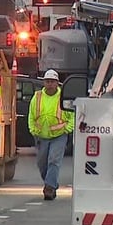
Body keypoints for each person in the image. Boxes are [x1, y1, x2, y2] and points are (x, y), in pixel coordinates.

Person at [28, 69, 74, 200]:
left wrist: (68, 129)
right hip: (41, 136)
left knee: (53, 161)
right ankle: (52, 183)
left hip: (59, 136)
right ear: (44, 83)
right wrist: (32, 129)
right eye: (47, 81)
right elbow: (31, 115)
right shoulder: (37, 97)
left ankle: (49, 188)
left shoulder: (63, 97)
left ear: (57, 83)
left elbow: (72, 114)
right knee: (42, 164)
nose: (49, 84)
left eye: (52, 82)